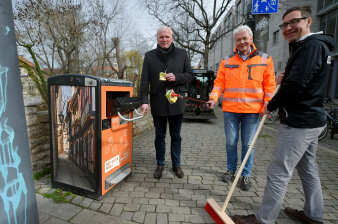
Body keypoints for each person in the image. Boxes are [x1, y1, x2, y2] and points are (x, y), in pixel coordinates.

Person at [233, 6, 335, 224]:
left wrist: (272, 104)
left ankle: (264, 219)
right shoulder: (310, 47)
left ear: (308, 21)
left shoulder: (310, 47)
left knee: (278, 171)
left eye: (293, 22)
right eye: (285, 24)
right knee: (308, 168)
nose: (288, 28)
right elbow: (304, 79)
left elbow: (296, 86)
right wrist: (287, 77)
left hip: (299, 122)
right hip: (311, 119)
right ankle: (313, 215)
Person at [207, 25, 276, 191]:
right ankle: (231, 171)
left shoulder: (265, 59)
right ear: (235, 42)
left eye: (245, 38)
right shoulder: (227, 61)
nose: (242, 42)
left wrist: (269, 103)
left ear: (251, 39)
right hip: (230, 110)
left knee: (248, 144)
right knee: (231, 143)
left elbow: (270, 85)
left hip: (252, 112)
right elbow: (219, 84)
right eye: (238, 39)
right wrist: (213, 98)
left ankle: (245, 175)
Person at [139, 25, 193, 179]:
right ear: (157, 39)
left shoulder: (182, 54)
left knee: (176, 136)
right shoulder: (149, 56)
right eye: (161, 37)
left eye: (167, 36)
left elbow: (189, 75)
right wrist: (144, 101)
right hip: (158, 102)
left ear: (172, 38)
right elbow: (144, 81)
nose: (164, 39)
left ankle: (176, 165)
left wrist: (177, 77)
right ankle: (160, 164)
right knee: (159, 136)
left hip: (176, 100)